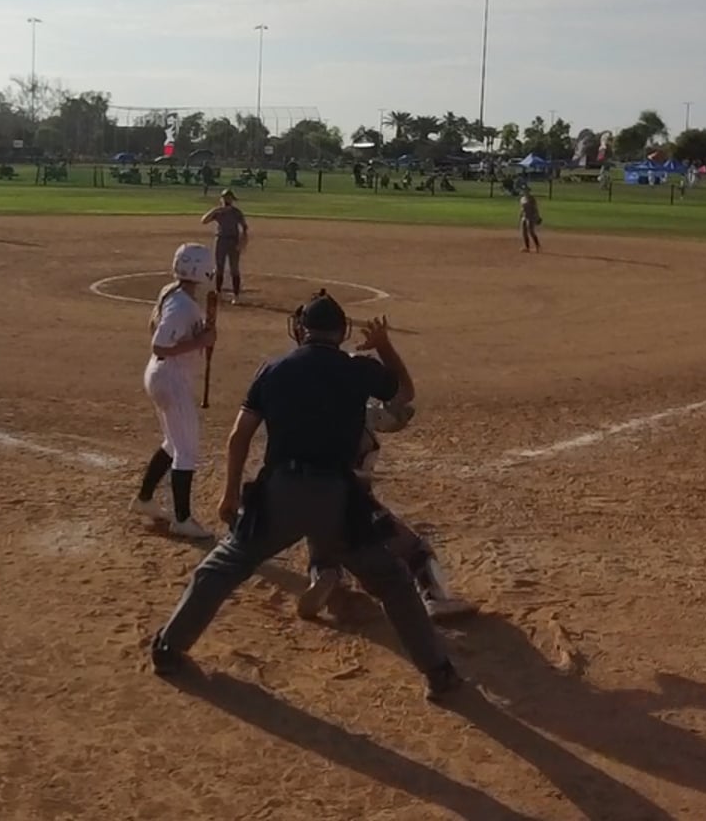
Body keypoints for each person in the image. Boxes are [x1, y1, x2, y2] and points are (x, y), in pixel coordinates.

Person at [148, 291, 462, 702]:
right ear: (341, 332)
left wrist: (229, 494)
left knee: (219, 569)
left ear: (300, 329)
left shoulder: (274, 369)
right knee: (392, 582)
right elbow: (404, 392)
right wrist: (384, 346)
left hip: (280, 494)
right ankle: (438, 673)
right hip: (339, 499)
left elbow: (239, 436)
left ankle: (168, 648)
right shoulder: (358, 369)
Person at [299, 402, 476, 623]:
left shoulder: (305, 417)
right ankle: (435, 597)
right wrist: (400, 404)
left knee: (323, 543)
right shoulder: (361, 410)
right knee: (415, 549)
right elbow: (395, 418)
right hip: (360, 506)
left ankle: (326, 577)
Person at [131, 243, 219, 539]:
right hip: (171, 379)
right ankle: (182, 519)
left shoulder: (174, 294)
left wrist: (201, 335)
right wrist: (200, 342)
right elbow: (160, 345)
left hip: (163, 376)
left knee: (173, 443)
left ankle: (144, 499)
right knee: (186, 450)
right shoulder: (181, 305)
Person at [200, 189, 249, 300]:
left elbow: (244, 227)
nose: (227, 200)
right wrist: (215, 210)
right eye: (225, 198)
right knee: (219, 267)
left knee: (234, 268)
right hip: (221, 240)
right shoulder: (218, 212)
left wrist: (242, 242)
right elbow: (204, 220)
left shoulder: (236, 212)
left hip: (233, 240)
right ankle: (218, 292)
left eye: (229, 198)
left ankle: (236, 295)